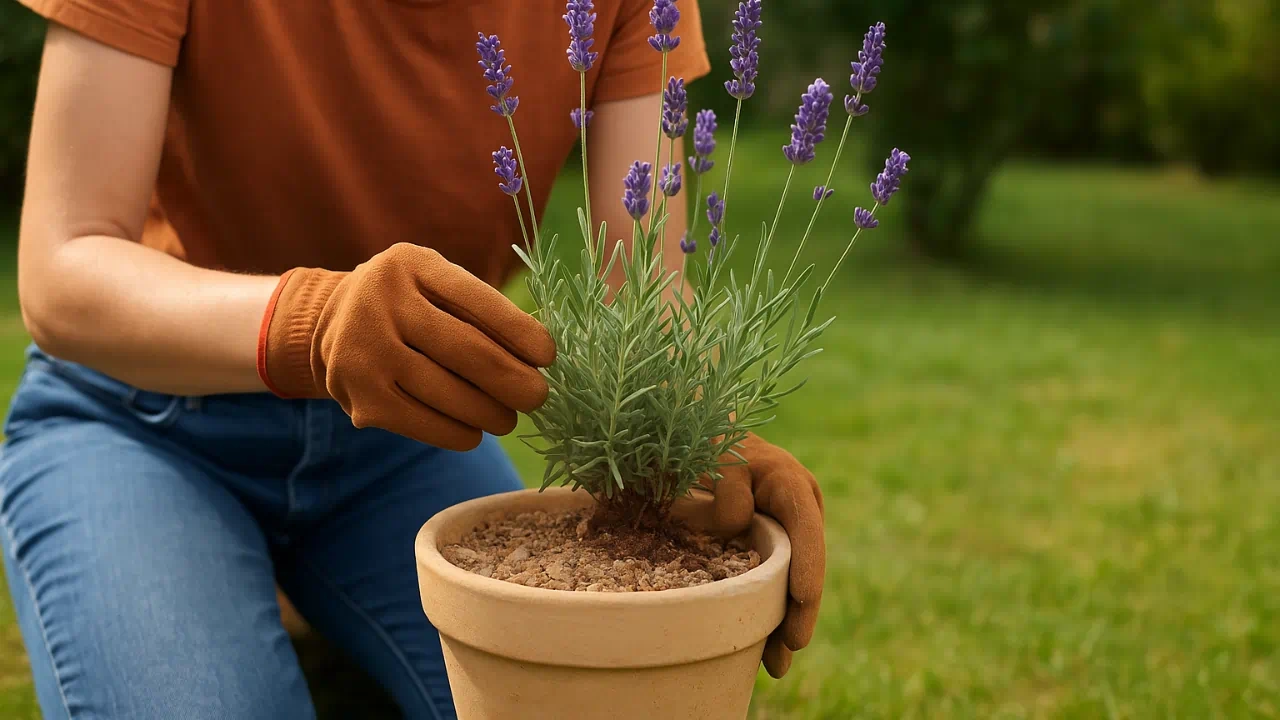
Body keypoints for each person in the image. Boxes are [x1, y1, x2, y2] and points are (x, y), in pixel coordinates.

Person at [0, 0, 827, 718]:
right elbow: (65, 264)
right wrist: (315, 323)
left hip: (410, 438)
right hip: (142, 424)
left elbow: (642, 283)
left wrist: (683, 433)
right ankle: (226, 572)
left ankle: (285, 591)